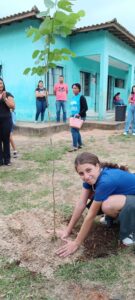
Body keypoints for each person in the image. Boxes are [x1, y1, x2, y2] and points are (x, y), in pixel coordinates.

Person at [56, 152, 135, 258]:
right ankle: (114, 218)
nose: (86, 176)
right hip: (130, 195)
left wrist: (76, 243)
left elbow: (91, 215)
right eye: (81, 173)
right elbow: (81, 203)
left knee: (108, 205)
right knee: (102, 201)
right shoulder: (91, 179)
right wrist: (67, 230)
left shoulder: (106, 181)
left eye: (88, 170)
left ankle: (131, 231)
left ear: (97, 166)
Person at [68, 83, 88, 152]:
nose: (74, 89)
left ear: (79, 89)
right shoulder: (73, 97)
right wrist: (71, 115)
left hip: (80, 116)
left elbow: (85, 108)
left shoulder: (81, 97)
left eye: (75, 88)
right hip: (73, 116)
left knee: (74, 130)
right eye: (73, 88)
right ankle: (80, 144)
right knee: (76, 130)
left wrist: (79, 114)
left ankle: (74, 146)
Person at [0, 78, 15, 166]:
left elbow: (13, 106)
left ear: (3, 84)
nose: (0, 85)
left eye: (1, 83)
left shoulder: (8, 94)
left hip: (6, 120)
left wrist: (5, 99)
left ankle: (7, 160)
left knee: (6, 139)